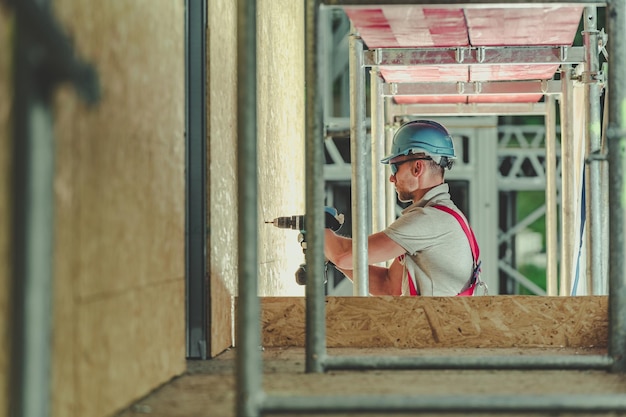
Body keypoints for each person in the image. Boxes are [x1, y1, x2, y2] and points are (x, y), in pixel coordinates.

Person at [324, 120, 479, 296]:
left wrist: (318, 230)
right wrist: (329, 251)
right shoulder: (441, 218)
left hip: (432, 323)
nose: (392, 178)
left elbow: (345, 256)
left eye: (395, 167)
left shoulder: (428, 220)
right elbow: (388, 286)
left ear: (417, 167)